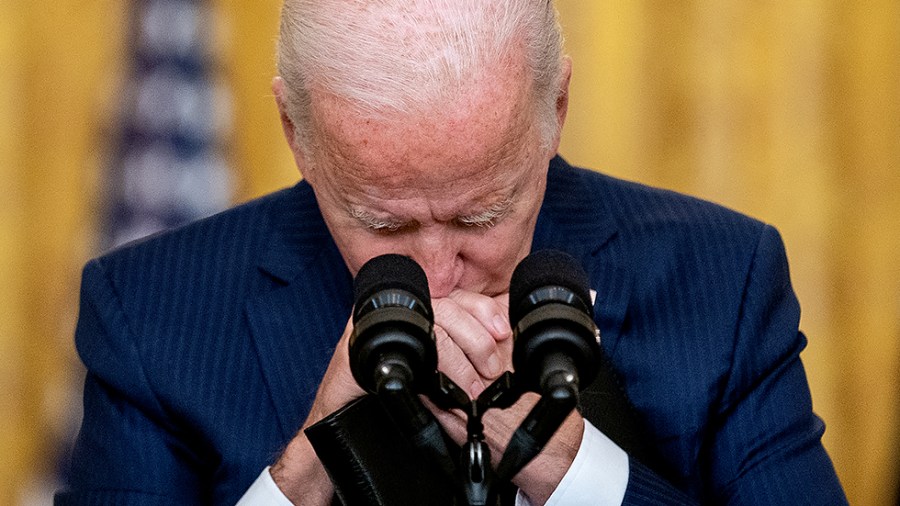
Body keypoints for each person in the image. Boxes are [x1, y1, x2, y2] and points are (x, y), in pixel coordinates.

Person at [56, 0, 847, 504]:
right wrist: (309, 470)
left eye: (482, 214)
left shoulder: (726, 282)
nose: (436, 275)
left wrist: (573, 469)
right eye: (385, 225)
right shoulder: (150, 313)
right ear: (298, 137)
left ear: (557, 108)